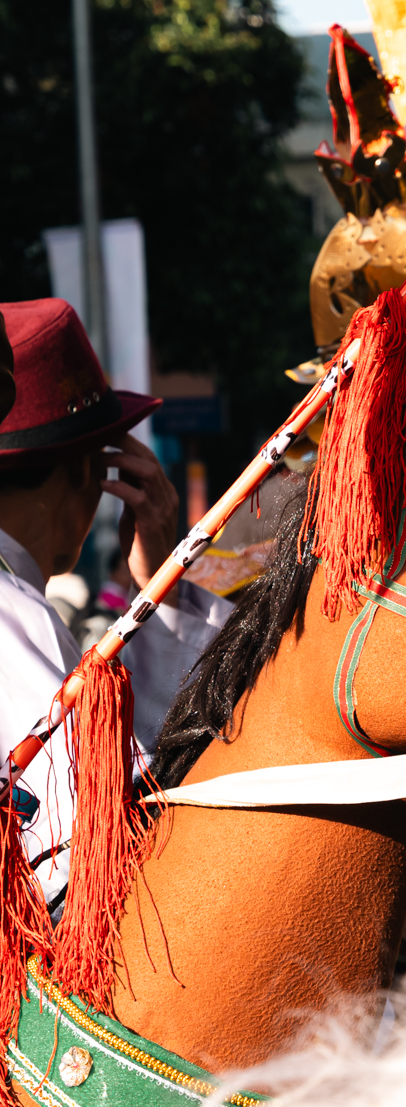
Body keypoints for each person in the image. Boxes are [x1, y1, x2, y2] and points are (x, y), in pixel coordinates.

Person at [0, 298, 231, 903]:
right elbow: (103, 827)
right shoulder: (10, 608)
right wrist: (160, 589)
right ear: (91, 475)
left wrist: (162, 588)